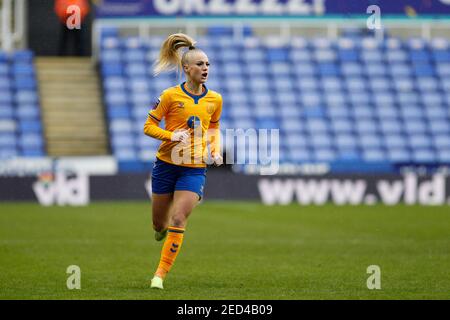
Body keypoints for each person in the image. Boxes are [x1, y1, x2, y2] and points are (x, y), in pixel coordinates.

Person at [143, 33, 223, 289]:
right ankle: (160, 229)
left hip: (194, 168)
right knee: (159, 223)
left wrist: (215, 149)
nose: (205, 68)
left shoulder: (215, 100)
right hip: (166, 165)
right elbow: (148, 126)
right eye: (200, 64)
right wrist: (170, 135)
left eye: (208, 64)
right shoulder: (169, 96)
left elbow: (214, 127)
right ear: (186, 68)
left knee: (179, 218)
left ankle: (159, 276)